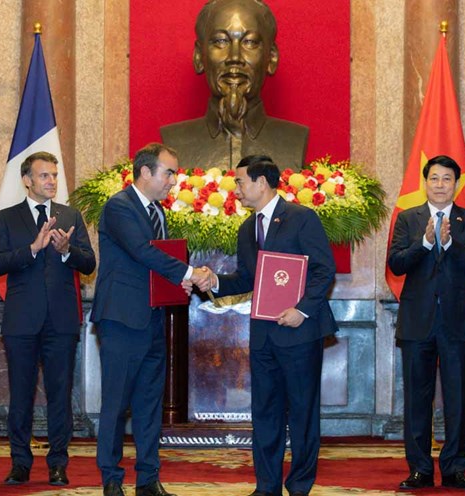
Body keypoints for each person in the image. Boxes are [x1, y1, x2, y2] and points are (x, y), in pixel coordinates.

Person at [189, 155, 337, 496]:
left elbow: (322, 270)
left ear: (261, 182)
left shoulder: (302, 218)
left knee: (302, 412)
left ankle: (299, 485)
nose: (236, 189)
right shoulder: (247, 227)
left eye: (240, 182)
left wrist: (302, 309)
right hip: (263, 335)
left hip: (300, 332)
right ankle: (266, 486)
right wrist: (213, 283)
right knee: (265, 413)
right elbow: (246, 278)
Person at [92, 143, 210, 496]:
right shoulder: (119, 207)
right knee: (116, 404)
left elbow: (157, 265)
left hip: (154, 320)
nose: (174, 180)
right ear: (145, 172)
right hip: (122, 321)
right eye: (169, 173)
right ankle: (111, 480)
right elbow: (142, 252)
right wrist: (190, 272)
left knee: (149, 405)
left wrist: (180, 286)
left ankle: (148, 480)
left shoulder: (158, 212)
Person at [0, 151, 96, 487]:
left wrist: (66, 250)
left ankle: (58, 464)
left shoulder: (70, 215)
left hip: (61, 323)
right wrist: (33, 249)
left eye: (54, 175)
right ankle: (20, 463)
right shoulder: (7, 218)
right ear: (27, 180)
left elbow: (89, 263)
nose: (51, 181)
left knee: (60, 396)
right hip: (22, 322)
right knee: (20, 396)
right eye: (44, 176)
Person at [387, 155, 465, 491]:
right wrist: (427, 243)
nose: (441, 185)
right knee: (418, 399)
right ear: (425, 182)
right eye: (434, 178)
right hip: (418, 323)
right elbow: (397, 264)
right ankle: (419, 469)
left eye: (447, 179)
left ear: (455, 184)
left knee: (458, 400)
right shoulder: (408, 219)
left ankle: (454, 469)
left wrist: (449, 243)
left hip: (457, 323)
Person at [160, 0, 308, 170]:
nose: (234, 57)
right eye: (221, 41)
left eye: (250, 42)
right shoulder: (174, 141)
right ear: (199, 56)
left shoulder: (295, 139)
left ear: (271, 57)